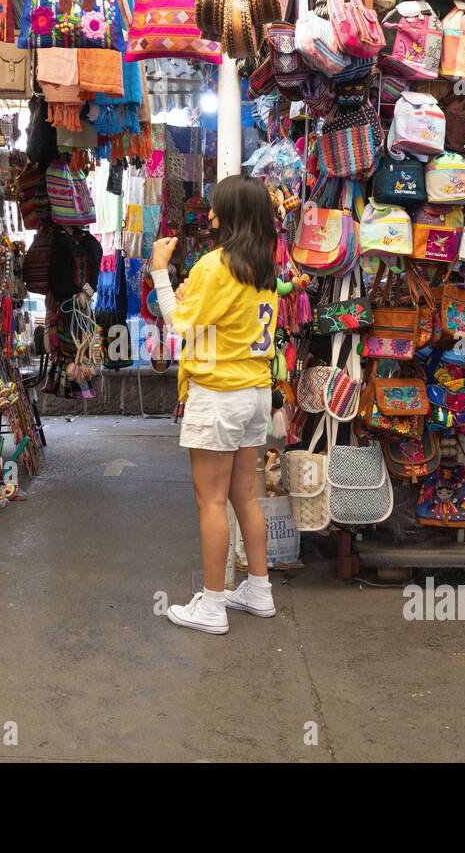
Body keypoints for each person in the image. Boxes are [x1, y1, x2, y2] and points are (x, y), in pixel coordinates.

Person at [151, 174, 280, 635]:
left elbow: (180, 327)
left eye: (215, 207)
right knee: (245, 495)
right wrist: (189, 301)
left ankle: (212, 604)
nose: (208, 215)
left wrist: (159, 271)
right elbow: (214, 322)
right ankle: (259, 590)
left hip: (219, 393)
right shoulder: (264, 269)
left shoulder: (215, 265)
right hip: (254, 392)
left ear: (231, 215)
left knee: (210, 500)